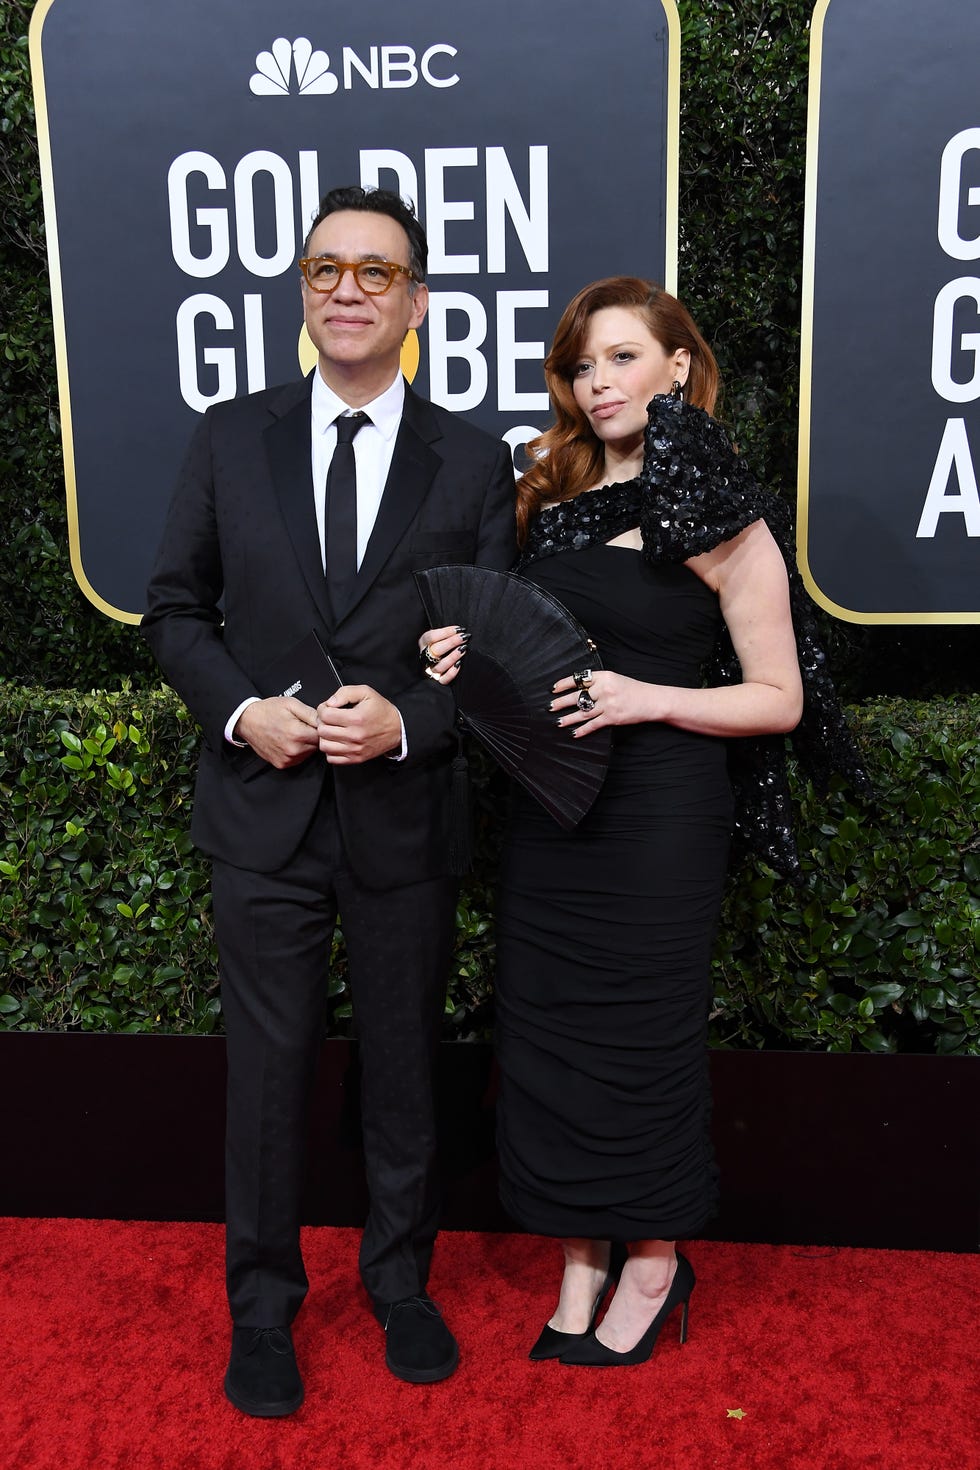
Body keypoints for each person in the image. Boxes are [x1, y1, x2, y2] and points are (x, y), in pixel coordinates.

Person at [142, 185, 516, 1413]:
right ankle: (262, 1308)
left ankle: (400, 1284)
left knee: (405, 1063)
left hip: (404, 819)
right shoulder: (229, 433)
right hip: (261, 808)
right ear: (301, 289)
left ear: (415, 301)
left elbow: (496, 648)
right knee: (264, 1074)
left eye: (374, 270)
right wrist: (245, 710)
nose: (345, 287)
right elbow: (175, 610)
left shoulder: (471, 458)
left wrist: (407, 716)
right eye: (323, 267)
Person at [421, 276, 807, 1367]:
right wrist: (461, 661)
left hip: (660, 818)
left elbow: (776, 696)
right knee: (546, 1032)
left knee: (638, 1037)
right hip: (554, 809)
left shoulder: (717, 510)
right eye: (582, 366)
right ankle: (578, 1247)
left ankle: (651, 1254)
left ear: (678, 366)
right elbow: (529, 650)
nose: (597, 384)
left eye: (622, 358)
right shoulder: (548, 496)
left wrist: (650, 699)